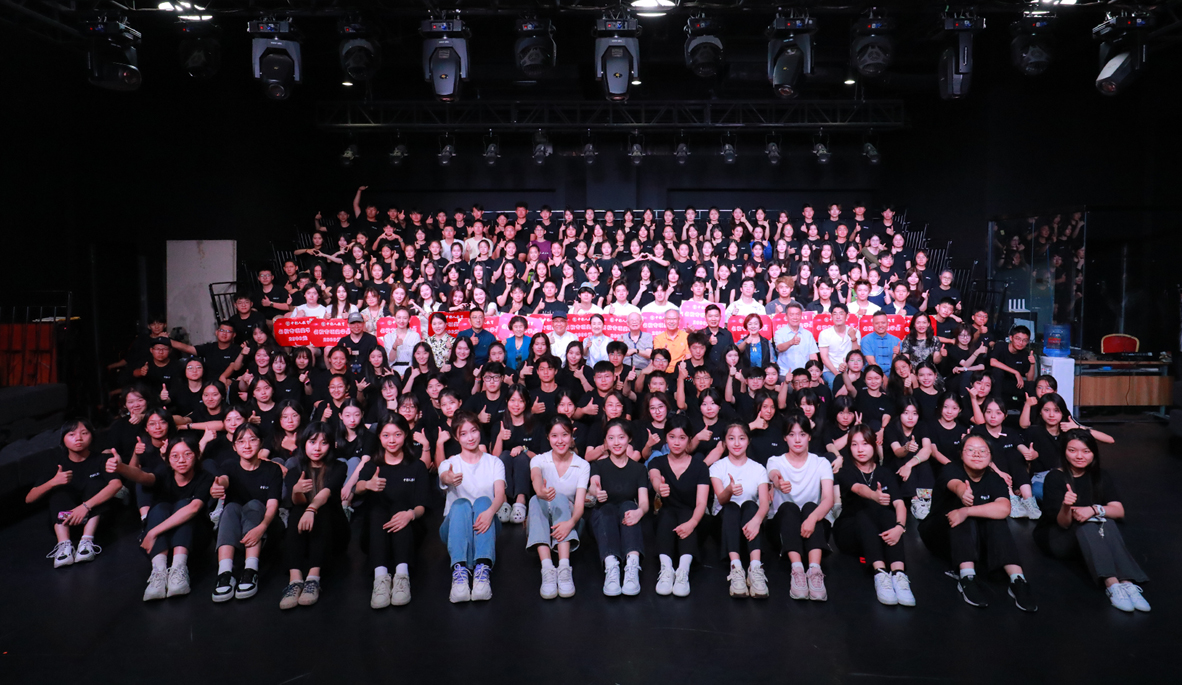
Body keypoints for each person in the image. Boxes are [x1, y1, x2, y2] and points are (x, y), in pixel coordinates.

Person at [1034, 430, 1150, 612]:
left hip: (1092, 531)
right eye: (1072, 450)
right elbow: (1063, 523)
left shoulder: (1100, 476)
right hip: (1057, 537)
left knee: (1107, 522)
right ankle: (1112, 585)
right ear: (1064, 452)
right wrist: (1066, 506)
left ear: (1093, 453)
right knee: (1089, 525)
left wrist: (1094, 509)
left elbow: (1118, 510)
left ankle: (1127, 584)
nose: (1079, 456)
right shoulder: (1055, 477)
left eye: (1086, 451)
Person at [919, 435, 1038, 611]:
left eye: (983, 451)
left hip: (975, 538)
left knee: (993, 519)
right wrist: (963, 493)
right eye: (971, 450)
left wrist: (967, 511)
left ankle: (1018, 579)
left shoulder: (994, 479)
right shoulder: (951, 469)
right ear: (961, 454)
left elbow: (1004, 508)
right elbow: (955, 484)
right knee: (960, 512)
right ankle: (967, 577)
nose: (977, 454)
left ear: (991, 457)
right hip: (939, 533)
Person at [107, 434, 214, 601]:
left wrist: (152, 532)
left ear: (196, 455)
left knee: (184, 505)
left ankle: (179, 570)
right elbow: (143, 477)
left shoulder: (205, 477)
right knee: (160, 508)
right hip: (160, 544)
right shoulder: (164, 473)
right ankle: (159, 572)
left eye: (187, 454)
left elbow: (193, 508)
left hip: (193, 540)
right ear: (168, 458)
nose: (181, 460)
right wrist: (120, 468)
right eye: (175, 456)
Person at [833, 425, 915, 606]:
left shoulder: (885, 472)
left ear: (874, 445)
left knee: (889, 515)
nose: (860, 449)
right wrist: (873, 495)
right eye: (854, 444)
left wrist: (900, 528)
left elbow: (899, 503)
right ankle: (880, 573)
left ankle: (899, 574)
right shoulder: (846, 471)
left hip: (877, 532)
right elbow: (858, 489)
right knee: (865, 513)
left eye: (865, 444)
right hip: (849, 532)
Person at [355, 414, 430, 608]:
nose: (392, 440)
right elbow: (357, 487)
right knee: (378, 508)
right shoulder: (373, 465)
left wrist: (410, 514)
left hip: (409, 531)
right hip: (376, 533)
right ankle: (380, 578)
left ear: (405, 435)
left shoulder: (417, 466)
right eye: (386, 435)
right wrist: (367, 484)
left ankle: (402, 577)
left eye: (397, 434)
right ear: (379, 437)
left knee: (399, 507)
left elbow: (421, 506)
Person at [28, 419, 123, 568]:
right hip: (68, 522)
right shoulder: (57, 464)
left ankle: (87, 542)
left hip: (98, 521)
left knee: (96, 485)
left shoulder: (102, 459)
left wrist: (85, 507)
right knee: (59, 492)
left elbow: (116, 484)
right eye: (71, 434)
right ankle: (64, 546)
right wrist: (53, 482)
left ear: (92, 436)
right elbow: (29, 498)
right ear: (63, 440)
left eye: (84, 433)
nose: (78, 438)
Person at [209, 423, 282, 602]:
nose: (247, 445)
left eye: (252, 440)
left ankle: (251, 570)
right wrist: (217, 486)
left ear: (261, 443)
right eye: (241, 441)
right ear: (234, 447)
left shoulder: (272, 469)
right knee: (230, 507)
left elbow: (272, 505)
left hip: (265, 527)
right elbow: (224, 480)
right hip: (236, 530)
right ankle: (224, 573)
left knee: (255, 505)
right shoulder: (229, 466)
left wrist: (261, 527)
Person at [438, 411, 505, 603]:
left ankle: (482, 570)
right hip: (455, 529)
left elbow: (500, 494)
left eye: (474, 431)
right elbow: (444, 476)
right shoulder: (450, 463)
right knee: (461, 504)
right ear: (456, 437)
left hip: (486, 524)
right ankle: (459, 573)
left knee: (483, 502)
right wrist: (449, 478)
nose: (470, 437)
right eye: (464, 433)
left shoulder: (494, 462)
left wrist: (490, 512)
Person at [767, 415, 835, 602]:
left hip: (813, 527)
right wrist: (778, 483)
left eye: (802, 434)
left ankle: (815, 571)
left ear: (809, 437)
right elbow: (774, 474)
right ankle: (797, 571)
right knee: (789, 508)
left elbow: (828, 499)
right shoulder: (775, 460)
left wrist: (812, 519)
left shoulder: (821, 463)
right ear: (785, 438)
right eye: (792, 434)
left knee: (811, 507)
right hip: (783, 528)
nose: (797, 439)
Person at [528, 416, 591, 599]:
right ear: (548, 437)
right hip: (542, 522)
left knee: (561, 498)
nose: (560, 440)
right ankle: (547, 569)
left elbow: (579, 506)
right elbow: (535, 476)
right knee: (535, 500)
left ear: (572, 435)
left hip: (570, 522)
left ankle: (564, 568)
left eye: (564, 434)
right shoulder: (539, 460)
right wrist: (540, 491)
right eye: (554, 436)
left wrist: (570, 523)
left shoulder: (582, 465)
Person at [588, 419, 650, 596]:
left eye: (621, 437)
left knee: (629, 505)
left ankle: (632, 566)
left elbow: (644, 502)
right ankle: (611, 567)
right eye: (611, 438)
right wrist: (596, 492)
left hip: (627, 517)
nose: (616, 442)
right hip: (604, 518)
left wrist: (640, 511)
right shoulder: (598, 465)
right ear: (605, 442)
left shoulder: (639, 469)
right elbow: (593, 485)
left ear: (629, 439)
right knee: (606, 509)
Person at [709, 422, 772, 599]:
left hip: (750, 527)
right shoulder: (717, 467)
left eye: (741, 438)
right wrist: (729, 490)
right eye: (731, 438)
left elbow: (765, 503)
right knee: (731, 507)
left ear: (748, 441)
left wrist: (757, 521)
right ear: (724, 442)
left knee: (750, 505)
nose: (736, 443)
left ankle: (755, 568)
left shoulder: (758, 469)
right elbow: (721, 500)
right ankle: (736, 567)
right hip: (724, 525)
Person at [772, 302, 819, 376]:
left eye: (797, 314)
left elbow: (813, 356)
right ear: (786, 316)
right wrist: (791, 342)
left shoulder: (808, 334)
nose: (795, 317)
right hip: (785, 374)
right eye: (791, 315)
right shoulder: (779, 333)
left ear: (801, 316)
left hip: (804, 374)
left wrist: (815, 373)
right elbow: (779, 348)